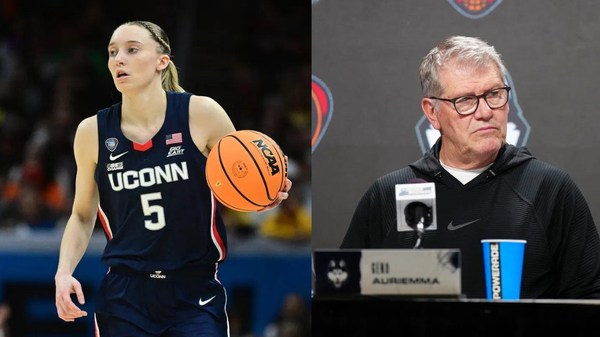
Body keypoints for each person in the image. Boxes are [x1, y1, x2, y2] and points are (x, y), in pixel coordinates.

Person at [54, 21, 292, 336]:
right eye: (113, 52)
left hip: (194, 290)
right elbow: (83, 215)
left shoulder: (202, 114)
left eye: (131, 49)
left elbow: (243, 178)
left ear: (161, 61)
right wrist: (63, 272)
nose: (118, 59)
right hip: (125, 294)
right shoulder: (91, 133)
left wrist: (268, 190)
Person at [341, 36, 600, 299]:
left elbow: (589, 300)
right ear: (432, 112)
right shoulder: (389, 195)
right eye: (465, 100)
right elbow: (342, 296)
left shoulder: (550, 190)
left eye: (494, 94)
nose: (485, 111)